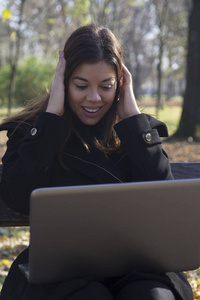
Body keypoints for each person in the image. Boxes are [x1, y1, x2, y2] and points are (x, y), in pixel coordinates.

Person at [0, 24, 193, 300]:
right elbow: (18, 196)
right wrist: (51, 119)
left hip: (139, 269)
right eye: (81, 85)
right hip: (62, 274)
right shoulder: (34, 132)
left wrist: (135, 121)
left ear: (121, 84)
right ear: (63, 81)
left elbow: (165, 199)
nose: (94, 98)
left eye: (106, 86)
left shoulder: (137, 132)